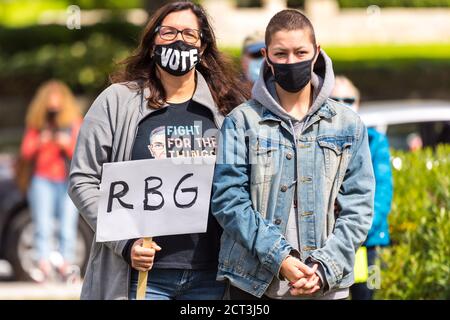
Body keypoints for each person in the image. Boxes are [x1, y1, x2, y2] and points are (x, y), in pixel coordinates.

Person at [68, 1, 248, 300]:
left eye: (189, 34)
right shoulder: (116, 101)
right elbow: (83, 179)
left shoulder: (227, 109)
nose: (179, 40)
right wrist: (126, 243)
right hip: (141, 278)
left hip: (211, 277)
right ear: (152, 43)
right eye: (168, 32)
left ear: (202, 47)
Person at [211, 9, 375, 300]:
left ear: (316, 53)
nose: (291, 61)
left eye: (300, 52)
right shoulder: (241, 122)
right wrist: (280, 258)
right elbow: (229, 200)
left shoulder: (347, 123)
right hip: (253, 286)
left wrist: (325, 267)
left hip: (325, 285)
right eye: (281, 53)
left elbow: (359, 206)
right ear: (267, 56)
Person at [331, 75, 393, 300]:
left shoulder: (375, 140)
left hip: (368, 243)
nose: (343, 104)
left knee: (368, 294)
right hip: (330, 244)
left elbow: (382, 193)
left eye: (349, 99)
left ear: (358, 103)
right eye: (335, 98)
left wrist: (357, 231)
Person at [20, 80, 82, 282]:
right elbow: (26, 152)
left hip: (66, 180)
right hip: (42, 179)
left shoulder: (73, 122)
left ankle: (66, 265)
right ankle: (43, 265)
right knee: (42, 225)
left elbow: (81, 152)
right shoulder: (38, 123)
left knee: (67, 225)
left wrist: (65, 144)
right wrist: (41, 140)